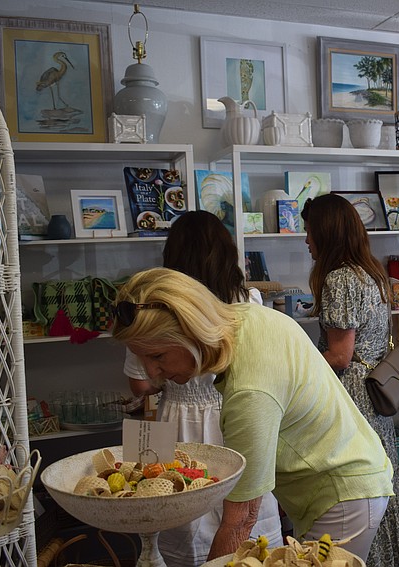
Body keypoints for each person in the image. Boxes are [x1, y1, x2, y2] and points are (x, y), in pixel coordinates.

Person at [112, 267, 394, 562]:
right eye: (141, 357)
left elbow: (241, 519)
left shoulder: (250, 389)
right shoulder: (242, 316)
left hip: (343, 496)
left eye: (157, 356)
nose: (151, 372)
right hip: (343, 481)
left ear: (191, 330)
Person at [123, 210, 281, 566]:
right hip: (237, 414)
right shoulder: (247, 300)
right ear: (226, 253)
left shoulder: (154, 307)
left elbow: (139, 383)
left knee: (177, 508)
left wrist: (164, 376)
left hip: (175, 421)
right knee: (243, 511)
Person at [301, 194, 399, 567]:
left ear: (326, 233)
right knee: (379, 484)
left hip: (351, 396)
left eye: (309, 231)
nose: (306, 240)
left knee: (356, 490)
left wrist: (297, 368)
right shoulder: (370, 273)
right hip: (374, 391)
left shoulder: (338, 279)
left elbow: (339, 355)